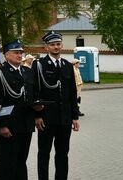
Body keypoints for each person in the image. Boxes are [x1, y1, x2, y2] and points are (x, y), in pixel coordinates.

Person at [32, 31, 80, 180]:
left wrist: (75, 117)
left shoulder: (67, 65)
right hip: (46, 118)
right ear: (46, 47)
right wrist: (37, 115)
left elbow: (72, 93)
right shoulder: (39, 65)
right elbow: (35, 92)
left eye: (58, 44)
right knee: (44, 153)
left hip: (64, 119)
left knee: (63, 153)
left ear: (62, 45)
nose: (56, 47)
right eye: (52, 45)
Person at [0, 39, 37, 180]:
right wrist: (2, 125)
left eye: (21, 52)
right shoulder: (0, 72)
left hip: (27, 123)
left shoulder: (27, 71)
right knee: (7, 161)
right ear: (7, 55)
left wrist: (38, 110)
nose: (19, 55)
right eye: (16, 52)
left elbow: (33, 95)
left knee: (21, 160)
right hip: (10, 124)